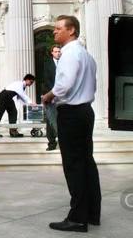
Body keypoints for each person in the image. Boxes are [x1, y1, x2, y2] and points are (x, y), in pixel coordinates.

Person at [41, 15, 100, 233]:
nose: (54, 32)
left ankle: (77, 218)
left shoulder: (69, 54)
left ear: (71, 30)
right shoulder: (86, 55)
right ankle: (92, 213)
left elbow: (64, 86)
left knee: (74, 166)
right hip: (85, 111)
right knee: (87, 163)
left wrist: (48, 95)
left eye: (58, 29)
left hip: (72, 113)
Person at [0, 74, 36, 138]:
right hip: (4, 96)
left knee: (13, 112)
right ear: (27, 80)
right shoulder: (20, 84)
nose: (31, 84)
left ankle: (13, 132)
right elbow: (22, 95)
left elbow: (20, 98)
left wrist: (29, 104)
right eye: (31, 82)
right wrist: (31, 102)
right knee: (0, 113)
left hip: (8, 98)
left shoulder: (22, 86)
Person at [42, 45, 61, 151]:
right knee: (50, 120)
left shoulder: (65, 63)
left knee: (62, 119)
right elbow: (46, 79)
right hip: (51, 94)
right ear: (52, 53)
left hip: (63, 97)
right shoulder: (47, 64)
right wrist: (53, 93)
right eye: (56, 51)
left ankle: (63, 141)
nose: (58, 53)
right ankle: (51, 143)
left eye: (59, 51)